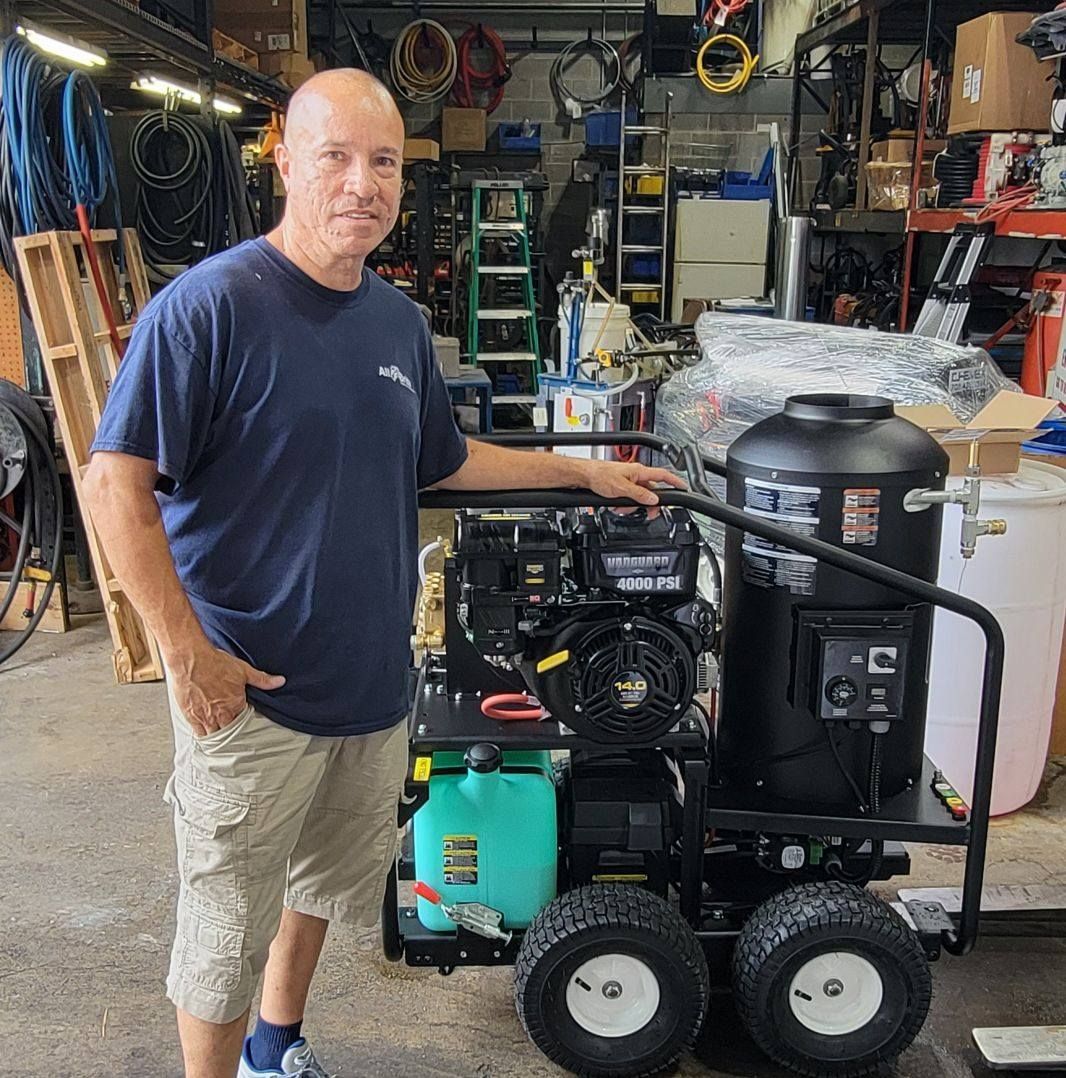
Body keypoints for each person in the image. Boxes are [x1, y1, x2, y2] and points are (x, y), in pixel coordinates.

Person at [82, 68, 683, 1078]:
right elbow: (112, 486)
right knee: (225, 922)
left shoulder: (396, 322)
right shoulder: (210, 309)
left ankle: (275, 1047)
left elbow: (444, 463)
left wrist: (585, 470)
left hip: (367, 688)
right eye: (335, 157)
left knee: (322, 885)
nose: (361, 183)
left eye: (384, 162)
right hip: (250, 695)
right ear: (285, 164)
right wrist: (187, 654)